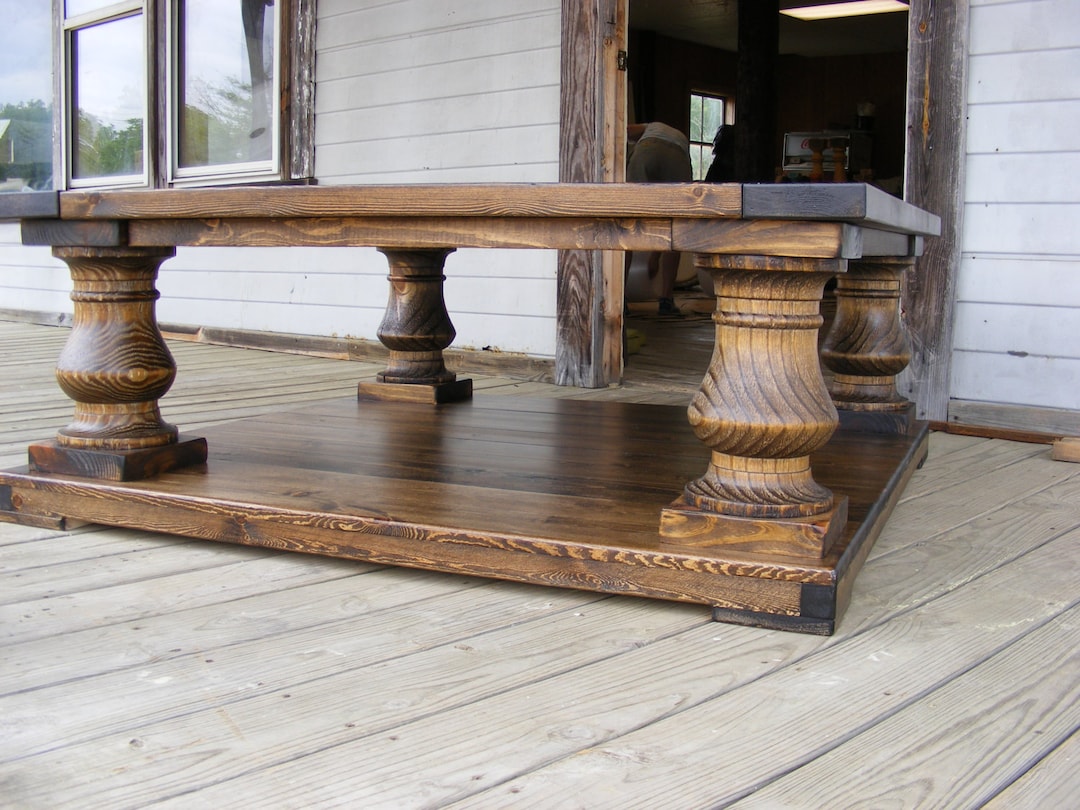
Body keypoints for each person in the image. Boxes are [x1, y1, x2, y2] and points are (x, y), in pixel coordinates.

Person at [626, 122, 692, 316]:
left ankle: (620, 300)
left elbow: (625, 130)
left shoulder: (649, 128)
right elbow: (662, 224)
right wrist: (654, 257)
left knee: (627, 225)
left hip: (647, 151)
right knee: (673, 226)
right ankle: (666, 300)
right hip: (678, 157)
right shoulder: (674, 133)